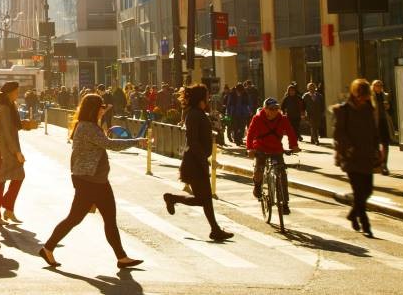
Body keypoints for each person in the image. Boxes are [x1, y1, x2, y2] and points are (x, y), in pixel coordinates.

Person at [39, 93, 146, 269]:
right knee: (75, 218)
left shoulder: (87, 125)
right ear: (93, 109)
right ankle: (48, 247)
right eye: (101, 107)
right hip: (90, 181)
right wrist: (136, 141)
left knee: (106, 219)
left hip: (95, 180)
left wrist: (103, 114)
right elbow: (110, 144)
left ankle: (121, 257)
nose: (103, 110)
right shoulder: (88, 128)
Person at [162, 84, 234, 242]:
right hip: (194, 163)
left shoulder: (198, 113)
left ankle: (214, 229)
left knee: (204, 199)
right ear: (201, 98)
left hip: (196, 161)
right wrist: (203, 160)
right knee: (205, 199)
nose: (209, 98)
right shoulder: (195, 114)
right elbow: (193, 141)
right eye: (207, 95)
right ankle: (173, 199)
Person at [334, 78, 381, 237]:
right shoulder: (344, 110)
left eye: (366, 96)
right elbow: (338, 133)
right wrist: (348, 147)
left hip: (367, 155)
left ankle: (353, 214)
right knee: (358, 190)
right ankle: (365, 224)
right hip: (351, 156)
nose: (364, 99)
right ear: (355, 94)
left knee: (367, 190)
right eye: (361, 96)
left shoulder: (369, 108)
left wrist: (377, 148)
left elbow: (374, 131)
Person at [0, 81, 35, 224]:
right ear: (10, 93)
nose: (18, 93)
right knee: (0, 182)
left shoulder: (9, 106)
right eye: (17, 91)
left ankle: (7, 210)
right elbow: (7, 133)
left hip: (8, 148)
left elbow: (12, 127)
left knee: (10, 178)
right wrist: (17, 152)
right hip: (5, 150)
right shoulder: (4, 108)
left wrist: (24, 124)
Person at [246, 97, 299, 214]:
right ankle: (257, 186)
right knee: (259, 168)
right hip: (260, 148)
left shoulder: (282, 119)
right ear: (265, 109)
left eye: (276, 108)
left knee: (282, 174)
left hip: (276, 149)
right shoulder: (257, 118)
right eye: (271, 108)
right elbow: (250, 134)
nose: (274, 111)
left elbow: (290, 132)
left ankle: (285, 203)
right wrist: (249, 148)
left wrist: (294, 145)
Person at [371, 80, 393, 176]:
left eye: (380, 85)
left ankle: (384, 165)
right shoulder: (370, 96)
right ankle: (378, 164)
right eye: (377, 85)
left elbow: (390, 109)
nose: (379, 87)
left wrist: (387, 106)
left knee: (385, 144)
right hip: (375, 123)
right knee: (375, 145)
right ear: (373, 86)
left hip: (384, 121)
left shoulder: (385, 95)